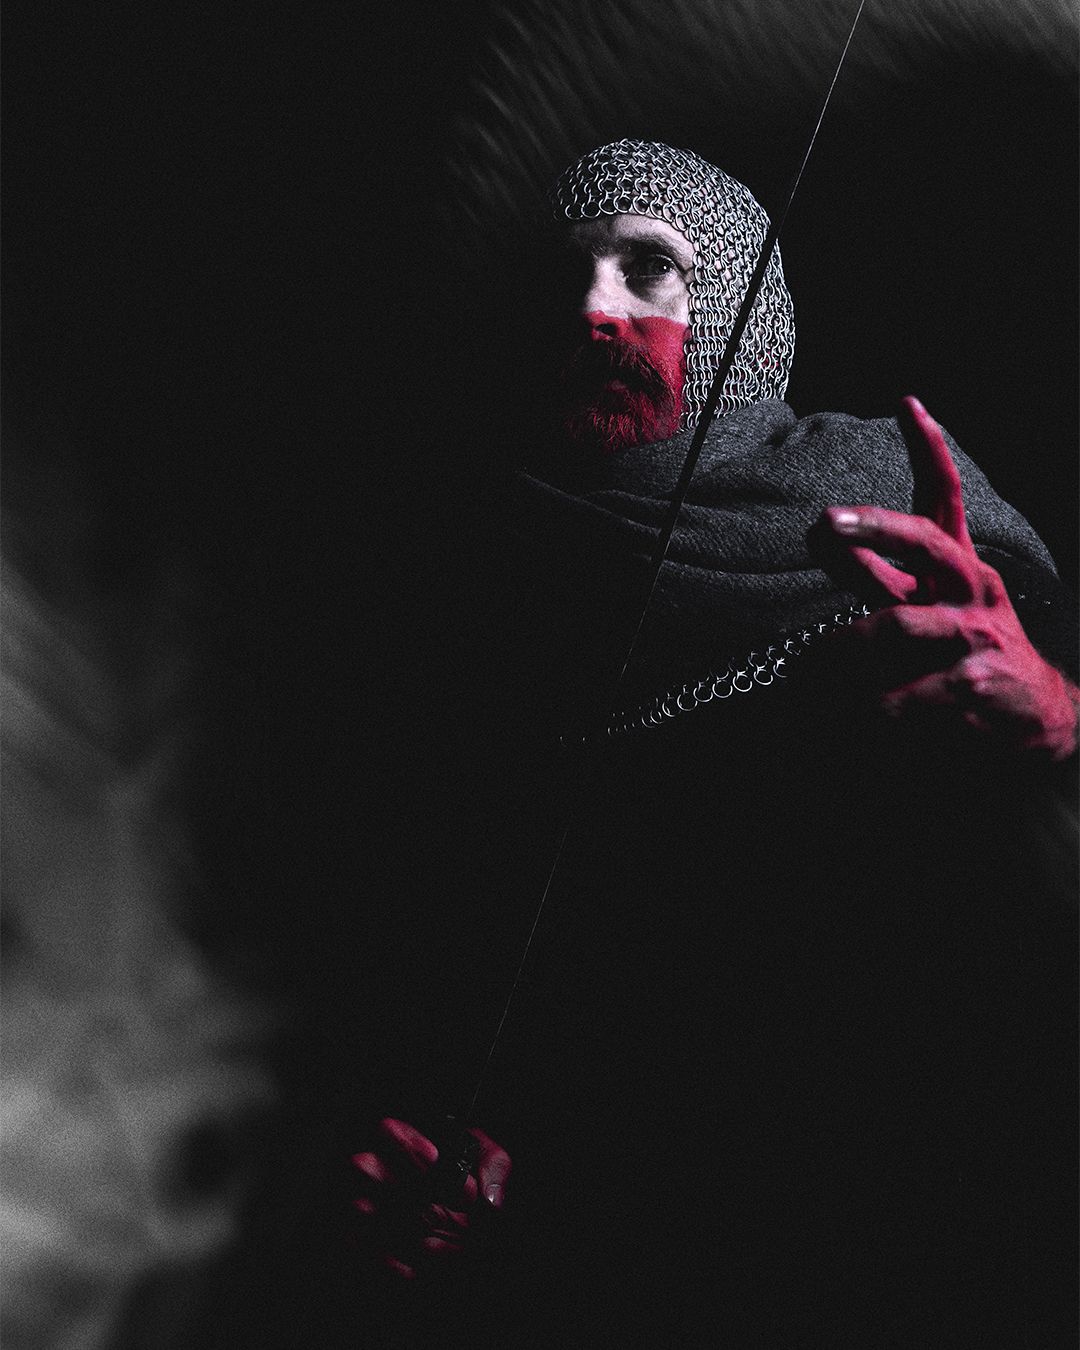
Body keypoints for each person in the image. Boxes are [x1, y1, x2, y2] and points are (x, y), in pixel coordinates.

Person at [349, 140, 1078, 1344]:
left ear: (740, 304)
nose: (597, 308)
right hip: (655, 1254)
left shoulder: (893, 496)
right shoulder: (481, 595)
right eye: (568, 278)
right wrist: (485, 1181)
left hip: (959, 1195)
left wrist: (1057, 709)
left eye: (650, 269)